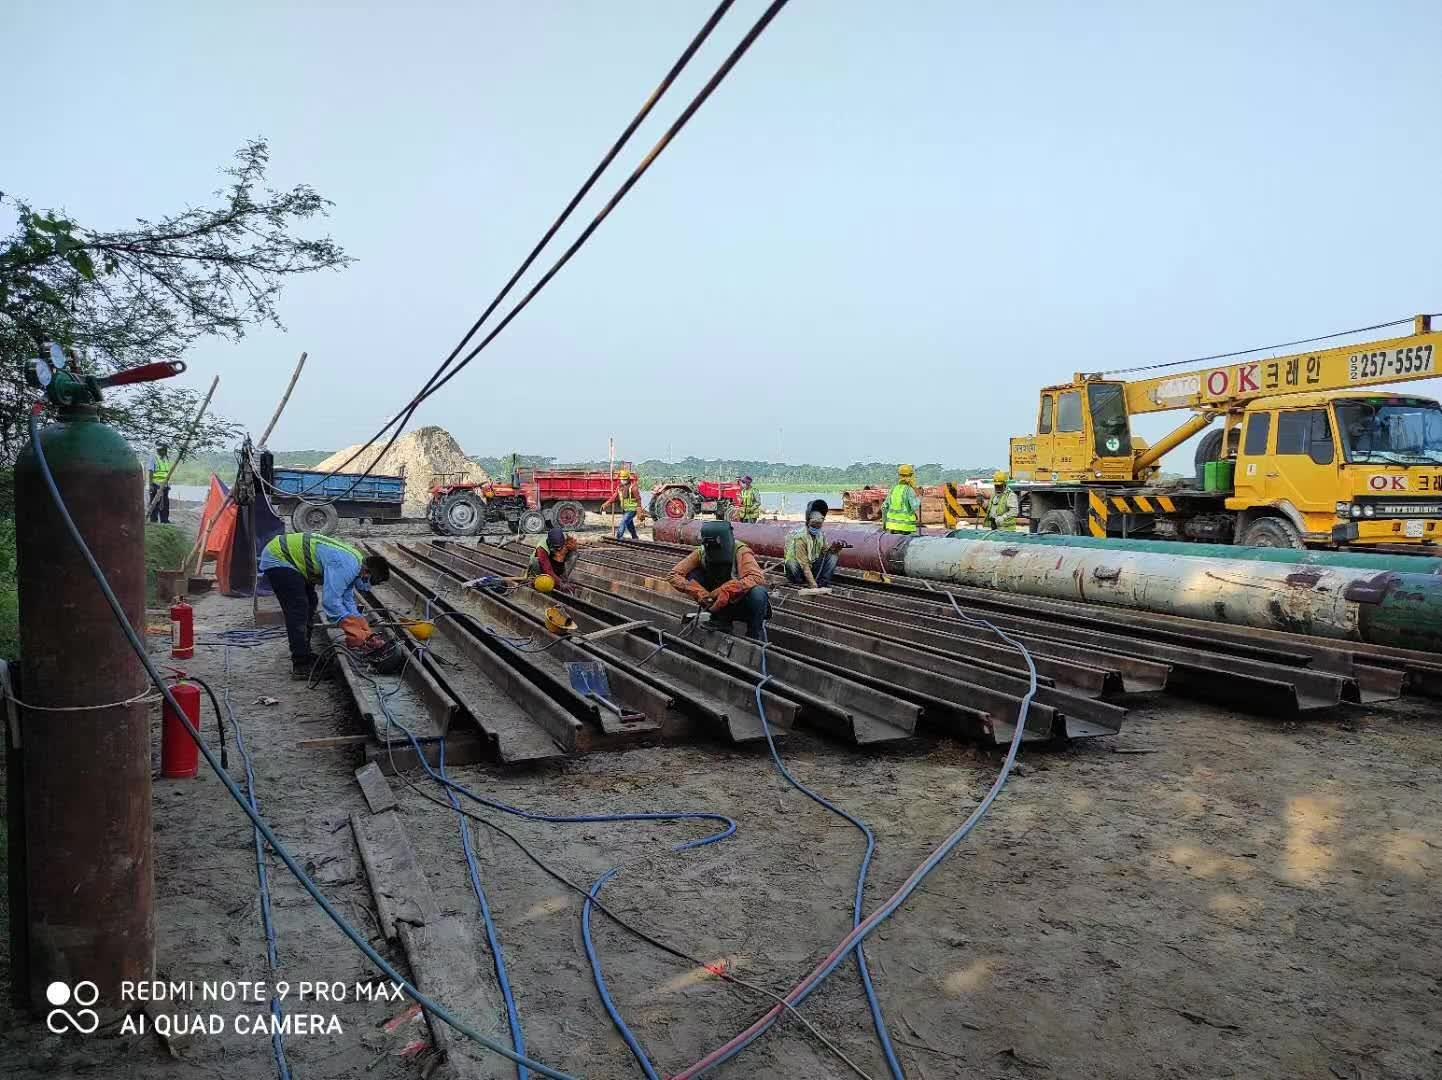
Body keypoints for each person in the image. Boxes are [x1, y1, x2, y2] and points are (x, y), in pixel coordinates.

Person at [258, 531, 393, 678]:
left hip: (291, 560)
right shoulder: (346, 566)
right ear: (366, 573)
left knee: (311, 602)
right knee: (298, 610)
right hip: (280, 557)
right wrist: (351, 627)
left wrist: (363, 628)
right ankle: (301, 664)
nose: (369, 587)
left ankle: (305, 653)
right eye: (372, 582)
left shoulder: (356, 564)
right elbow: (330, 601)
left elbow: (347, 600)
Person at [668, 520, 770, 639]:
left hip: (740, 602)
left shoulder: (741, 551)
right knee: (693, 575)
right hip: (714, 603)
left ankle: (754, 632)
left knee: (758, 593)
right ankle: (719, 620)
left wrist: (727, 590)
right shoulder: (701, 552)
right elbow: (674, 574)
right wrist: (699, 592)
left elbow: (756, 578)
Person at [784, 499, 842, 588]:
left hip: (811, 567)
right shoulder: (801, 538)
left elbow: (825, 552)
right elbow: (804, 564)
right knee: (791, 564)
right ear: (808, 523)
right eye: (814, 525)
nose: (816, 527)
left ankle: (823, 582)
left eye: (819, 525)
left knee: (833, 556)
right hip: (800, 569)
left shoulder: (821, 535)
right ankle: (800, 582)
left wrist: (834, 550)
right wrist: (812, 583)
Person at [600, 469, 648, 540]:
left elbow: (638, 499)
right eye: (622, 479)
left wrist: (639, 510)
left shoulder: (633, 487)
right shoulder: (620, 488)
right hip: (625, 509)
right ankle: (635, 537)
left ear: (628, 479)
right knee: (629, 525)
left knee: (624, 521)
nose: (623, 480)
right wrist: (606, 504)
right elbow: (614, 497)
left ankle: (619, 537)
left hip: (632, 509)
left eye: (624, 479)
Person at [882, 463, 922, 534]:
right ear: (911, 476)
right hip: (906, 528)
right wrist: (919, 496)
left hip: (892, 527)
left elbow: (884, 507)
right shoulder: (909, 490)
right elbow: (915, 506)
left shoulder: (893, 489)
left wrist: (884, 525)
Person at [148, 444, 173, 524]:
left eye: (165, 450)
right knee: (155, 503)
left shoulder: (166, 459)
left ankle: (164, 520)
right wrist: (150, 485)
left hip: (164, 485)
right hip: (156, 484)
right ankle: (153, 520)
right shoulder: (154, 458)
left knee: (165, 503)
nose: (165, 452)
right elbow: (151, 472)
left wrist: (168, 484)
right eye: (163, 450)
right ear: (159, 450)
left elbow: (166, 472)